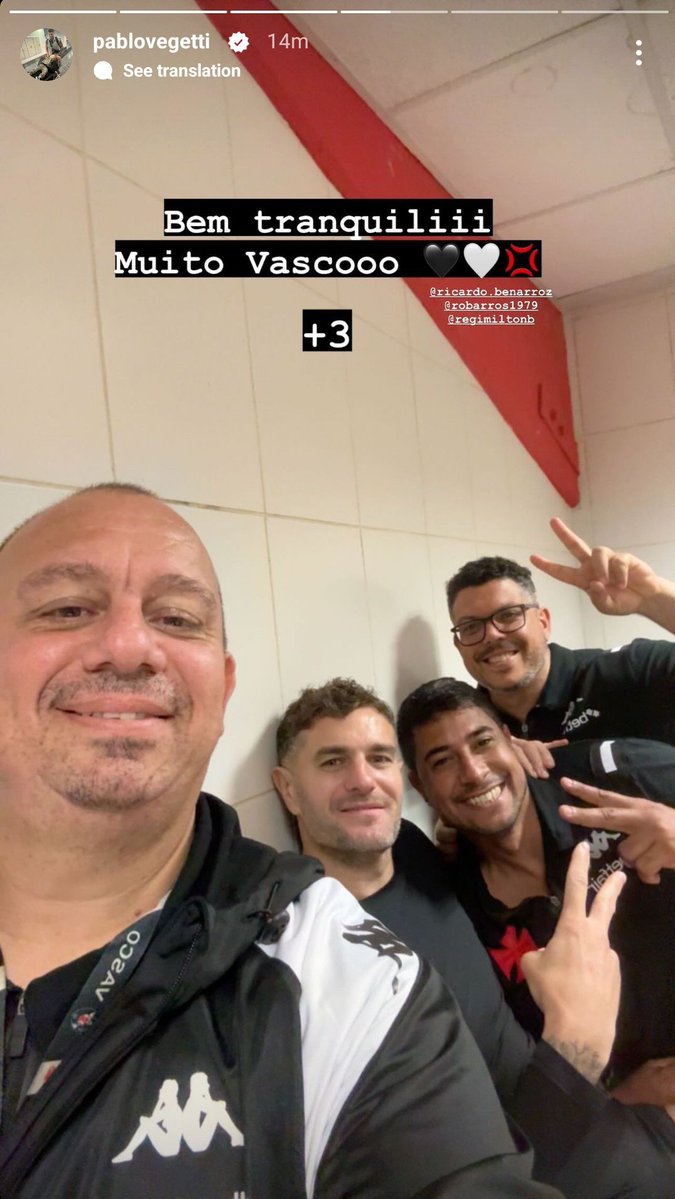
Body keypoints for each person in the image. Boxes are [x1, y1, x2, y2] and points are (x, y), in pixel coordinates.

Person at [0, 483, 566, 1199]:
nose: (129, 644)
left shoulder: (360, 971)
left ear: (223, 687)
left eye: (176, 618)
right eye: (67, 608)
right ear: (286, 790)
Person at [274, 678, 675, 1197]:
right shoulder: (315, 950)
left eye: (379, 758)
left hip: (618, 1123)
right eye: (332, 762)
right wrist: (578, 1049)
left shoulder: (415, 852)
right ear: (287, 789)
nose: (364, 781)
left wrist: (602, 1094)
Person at [395, 677, 675, 1104]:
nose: (474, 772)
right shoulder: (459, 911)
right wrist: (622, 1101)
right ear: (421, 788)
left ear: (512, 743)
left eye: (483, 742)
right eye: (443, 761)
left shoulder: (613, 777)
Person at [445, 518, 675, 748]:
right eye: (471, 627)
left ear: (543, 622)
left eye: (508, 615)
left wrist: (654, 599)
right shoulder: (467, 727)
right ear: (458, 645)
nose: (492, 635)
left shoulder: (624, 672)